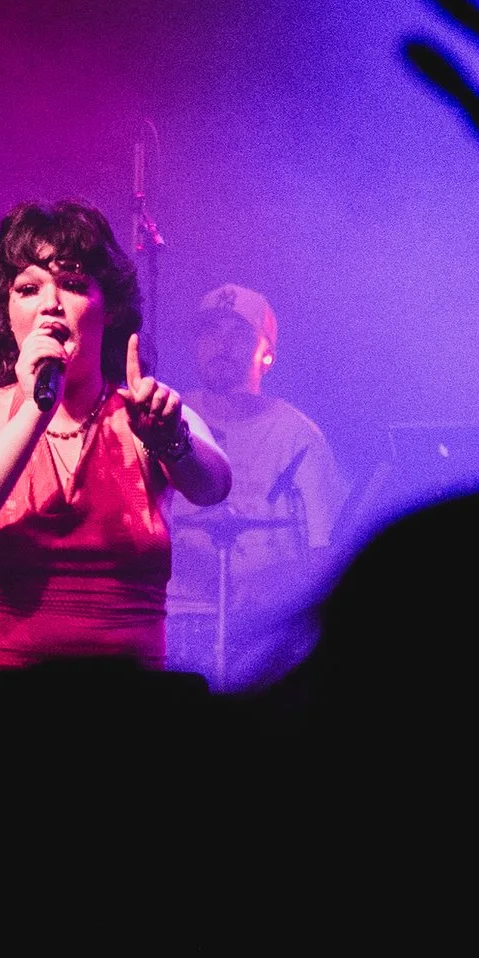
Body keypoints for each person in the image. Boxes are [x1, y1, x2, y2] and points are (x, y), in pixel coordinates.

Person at [0, 201, 231, 704]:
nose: (50, 303)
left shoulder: (143, 409)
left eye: (74, 284)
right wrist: (35, 410)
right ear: (9, 315)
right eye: (28, 288)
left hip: (123, 704)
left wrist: (171, 441)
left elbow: (214, 484)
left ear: (109, 311)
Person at [169, 283, 345, 683]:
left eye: (238, 334)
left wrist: (273, 583)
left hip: (263, 629)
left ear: (267, 353)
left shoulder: (297, 437)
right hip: (177, 618)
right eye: (210, 332)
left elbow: (324, 552)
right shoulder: (169, 415)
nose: (222, 345)